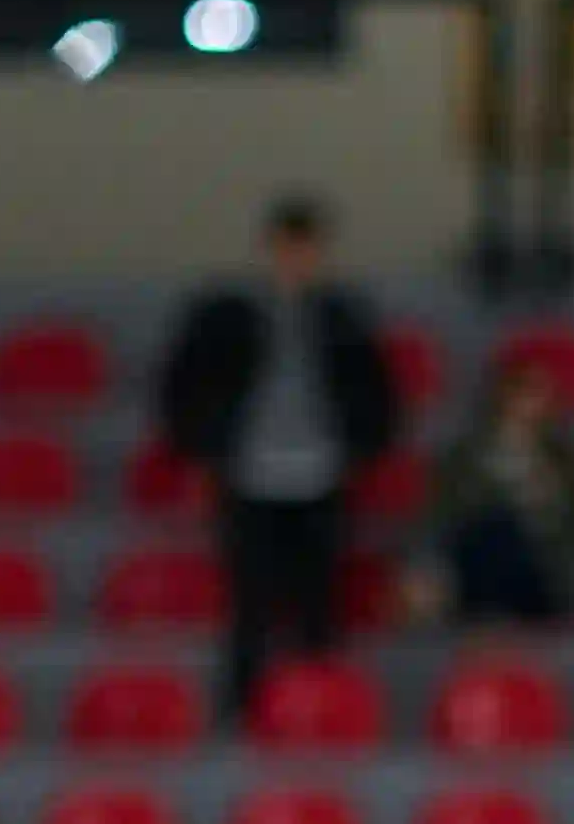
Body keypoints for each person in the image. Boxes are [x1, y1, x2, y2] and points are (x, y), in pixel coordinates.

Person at [154, 200, 401, 727]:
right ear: (269, 249)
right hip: (250, 476)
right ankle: (240, 715)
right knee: (249, 603)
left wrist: (361, 448)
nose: (297, 258)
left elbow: (375, 392)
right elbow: (184, 385)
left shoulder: (343, 317)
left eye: (306, 248)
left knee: (319, 604)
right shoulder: (226, 315)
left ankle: (320, 713)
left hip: (320, 474)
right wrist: (203, 448)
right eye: (288, 247)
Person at [426, 335, 574, 631]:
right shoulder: (463, 456)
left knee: (510, 535)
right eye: (525, 391)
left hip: (542, 569)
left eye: (543, 394)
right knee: (496, 527)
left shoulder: (566, 460)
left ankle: (498, 617)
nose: (535, 403)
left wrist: (553, 501)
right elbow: (442, 518)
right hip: (476, 566)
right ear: (502, 395)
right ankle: (491, 617)